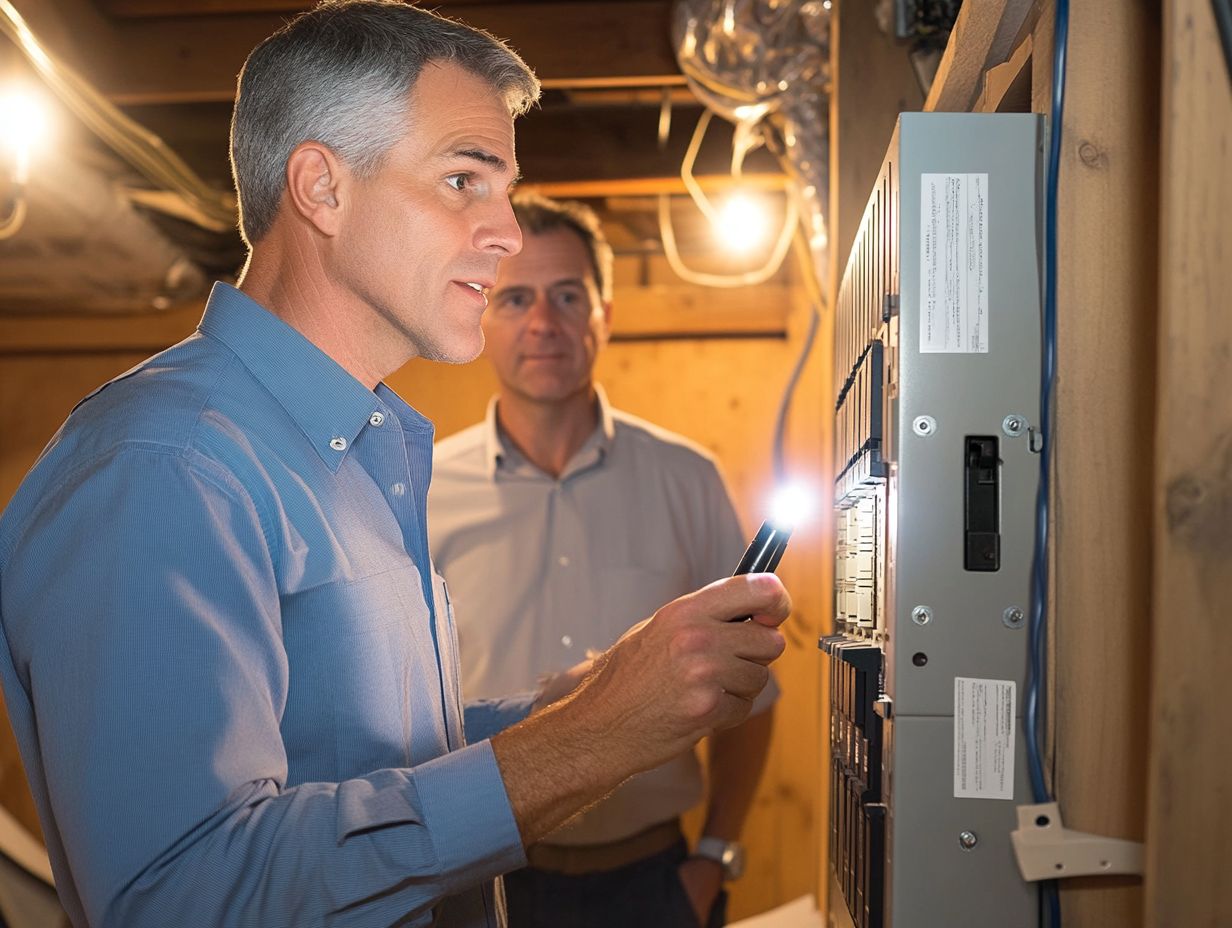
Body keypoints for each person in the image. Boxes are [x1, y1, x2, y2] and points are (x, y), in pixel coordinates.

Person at [0, 2, 790, 927]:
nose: (503, 230)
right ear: (321, 189)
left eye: (503, 189)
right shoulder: (166, 466)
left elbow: (373, 772)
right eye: (464, 180)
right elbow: (188, 896)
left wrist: (592, 695)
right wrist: (594, 736)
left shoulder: (357, 452)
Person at [429, 193, 774, 928]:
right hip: (478, 883)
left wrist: (713, 860)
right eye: (515, 297)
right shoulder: (421, 492)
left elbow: (750, 689)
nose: (543, 323)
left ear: (604, 316)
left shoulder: (688, 478)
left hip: (652, 887)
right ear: (482, 315)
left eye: (567, 297)